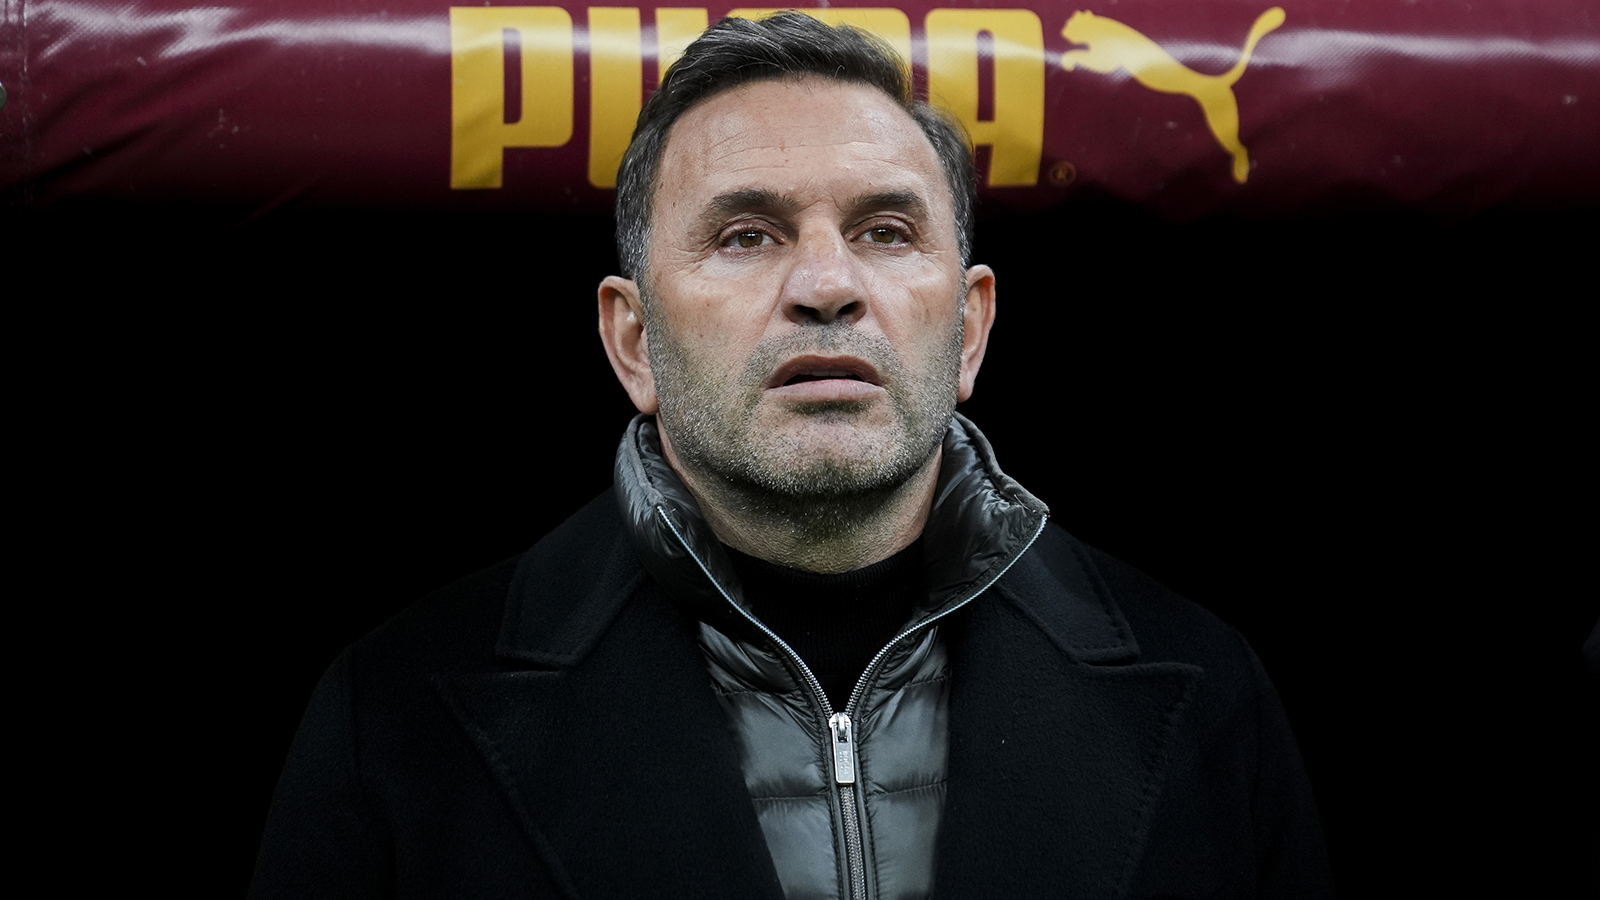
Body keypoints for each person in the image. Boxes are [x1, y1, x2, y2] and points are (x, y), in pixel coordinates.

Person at [250, 12, 1333, 899]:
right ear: (633, 341)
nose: (826, 285)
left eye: (886, 231)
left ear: (968, 330)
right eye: (746, 234)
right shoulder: (391, 719)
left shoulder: (1210, 694)